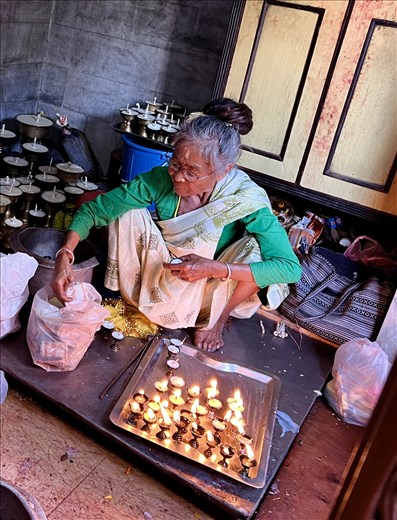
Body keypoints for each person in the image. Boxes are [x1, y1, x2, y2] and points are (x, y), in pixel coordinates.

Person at [51, 98, 301, 352]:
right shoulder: (162, 179)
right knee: (126, 213)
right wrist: (64, 256)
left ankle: (215, 320)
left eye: (192, 173)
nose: (178, 176)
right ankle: (146, 300)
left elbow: (289, 268)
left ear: (224, 171)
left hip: (213, 282)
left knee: (253, 248)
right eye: (175, 164)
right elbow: (95, 210)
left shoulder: (244, 198)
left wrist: (214, 268)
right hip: (168, 268)